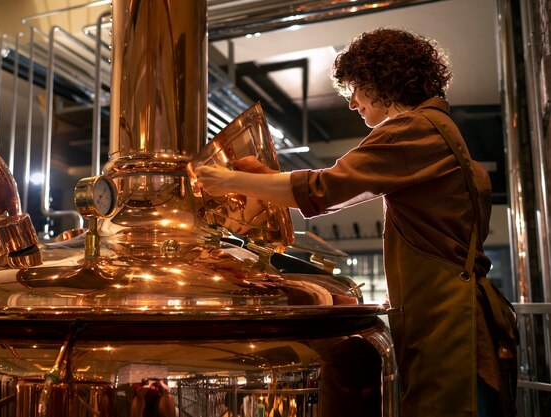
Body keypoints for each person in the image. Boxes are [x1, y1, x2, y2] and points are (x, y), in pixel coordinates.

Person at [195, 28, 515, 417]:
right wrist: (261, 179)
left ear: (381, 80)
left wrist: (230, 181)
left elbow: (324, 189)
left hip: (448, 323)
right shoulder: (438, 129)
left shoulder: (413, 130)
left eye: (356, 89)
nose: (352, 103)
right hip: (455, 316)